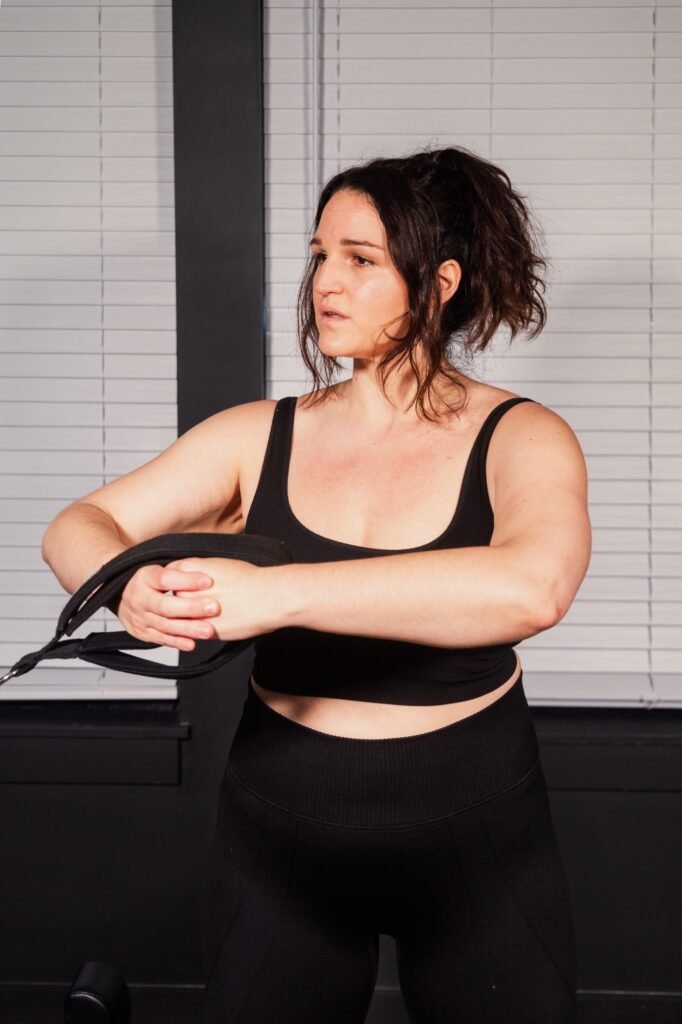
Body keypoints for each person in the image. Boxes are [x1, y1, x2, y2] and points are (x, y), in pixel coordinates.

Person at [41, 145, 591, 1023]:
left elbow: (534, 588)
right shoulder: (257, 434)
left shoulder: (523, 436)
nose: (326, 283)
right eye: (319, 255)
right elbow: (76, 528)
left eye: (361, 260)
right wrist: (125, 588)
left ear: (440, 281)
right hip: (281, 830)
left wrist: (283, 593)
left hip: (476, 835)